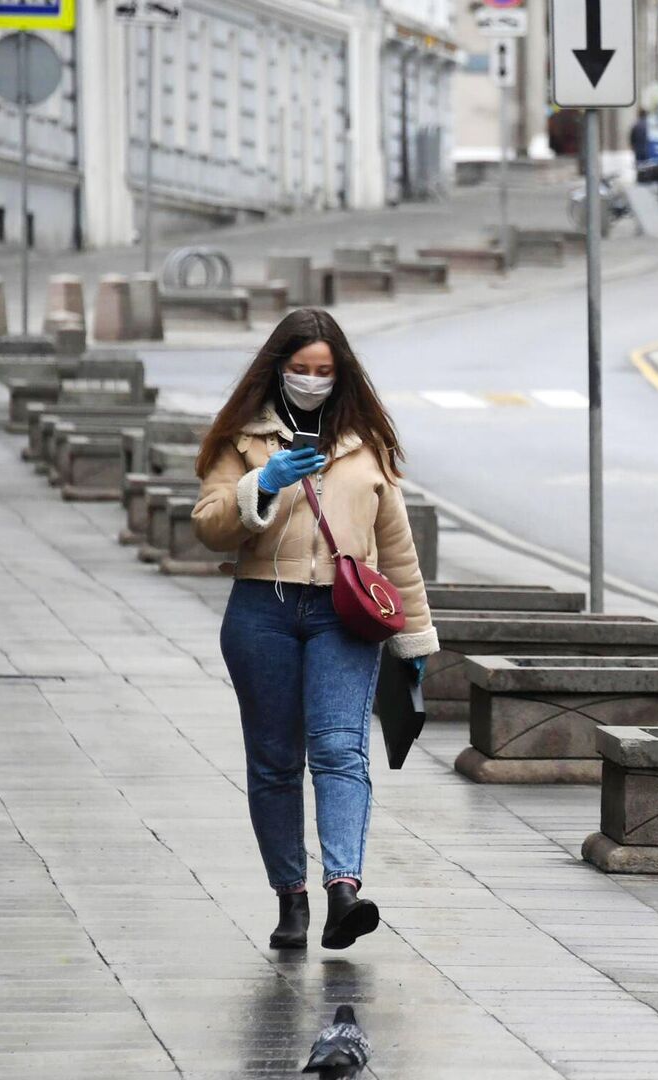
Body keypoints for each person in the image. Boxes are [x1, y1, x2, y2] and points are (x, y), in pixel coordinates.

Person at [191, 308, 437, 953]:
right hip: (261, 612)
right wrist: (262, 484)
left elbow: (397, 549)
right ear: (278, 369)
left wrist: (414, 644)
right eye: (300, 369)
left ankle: (343, 891)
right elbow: (211, 524)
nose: (311, 380)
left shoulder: (365, 441)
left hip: (344, 614)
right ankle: (290, 898)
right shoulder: (241, 437)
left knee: (338, 749)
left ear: (341, 372)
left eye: (324, 371)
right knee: (274, 762)